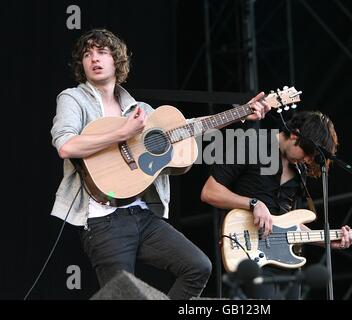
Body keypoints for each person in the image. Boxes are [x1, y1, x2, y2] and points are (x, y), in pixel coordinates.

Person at [50, 28, 270, 299]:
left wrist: (240, 113)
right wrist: (122, 133)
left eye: (102, 52)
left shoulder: (140, 109)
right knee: (123, 296)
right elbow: (66, 146)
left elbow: (186, 128)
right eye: (87, 54)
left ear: (116, 60)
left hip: (142, 215)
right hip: (102, 220)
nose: (94, 58)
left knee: (198, 267)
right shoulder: (73, 98)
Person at [201, 110, 352, 299]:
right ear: (295, 134)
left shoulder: (300, 171)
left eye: (312, 158)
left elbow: (289, 224)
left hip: (287, 265)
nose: (308, 160)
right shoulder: (251, 144)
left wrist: (328, 240)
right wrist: (253, 203)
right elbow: (209, 192)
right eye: (307, 152)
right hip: (250, 254)